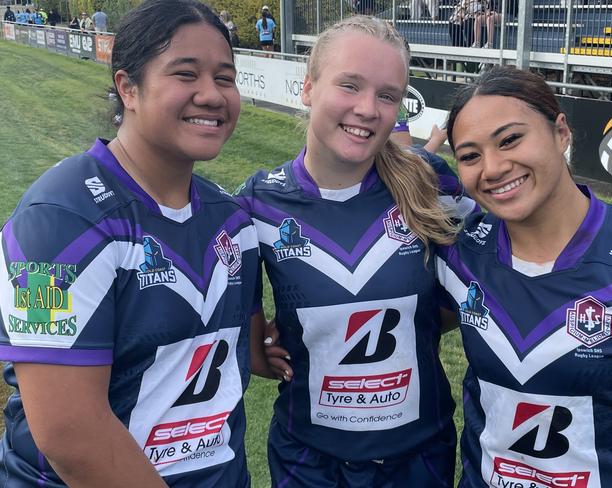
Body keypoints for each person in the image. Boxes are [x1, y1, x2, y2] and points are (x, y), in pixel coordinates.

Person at [0, 0, 258, 486]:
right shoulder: (56, 220)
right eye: (186, 74)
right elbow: (71, 435)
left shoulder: (232, 220)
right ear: (128, 87)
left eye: (225, 78)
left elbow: (237, 349)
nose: (212, 95)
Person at [237, 15, 473, 488]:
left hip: (419, 456)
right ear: (307, 88)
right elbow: (233, 309)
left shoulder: (429, 180)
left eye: (387, 95)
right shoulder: (258, 201)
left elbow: (489, 275)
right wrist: (255, 342)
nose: (367, 108)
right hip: (309, 459)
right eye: (350, 85)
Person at [437, 65, 612, 487]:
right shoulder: (459, 256)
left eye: (511, 139)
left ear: (561, 132)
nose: (493, 167)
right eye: (470, 156)